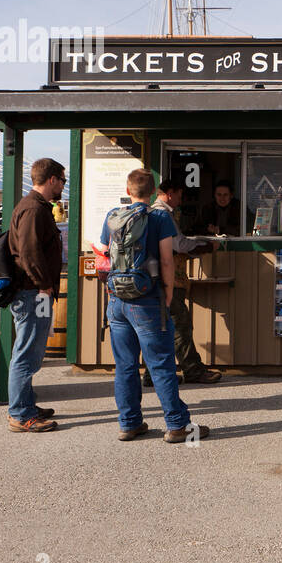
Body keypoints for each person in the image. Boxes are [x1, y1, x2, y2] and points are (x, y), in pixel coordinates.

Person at [95, 168, 209, 444]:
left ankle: (129, 424)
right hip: (147, 300)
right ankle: (177, 425)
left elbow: (101, 254)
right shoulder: (159, 217)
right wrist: (168, 294)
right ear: (154, 190)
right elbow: (167, 261)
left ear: (128, 189)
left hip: (117, 301)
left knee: (125, 366)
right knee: (161, 364)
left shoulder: (113, 216)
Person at [141, 176, 222, 388]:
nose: (180, 199)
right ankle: (193, 370)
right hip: (168, 280)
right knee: (180, 325)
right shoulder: (163, 214)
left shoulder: (149, 213)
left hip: (149, 280)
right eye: (179, 195)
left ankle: (152, 374)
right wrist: (207, 246)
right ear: (170, 193)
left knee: (158, 329)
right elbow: (180, 245)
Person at [5, 159, 65, 433]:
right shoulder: (33, 209)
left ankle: (27, 404)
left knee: (33, 349)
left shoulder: (36, 207)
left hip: (35, 292)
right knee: (27, 352)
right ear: (51, 179)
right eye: (62, 180)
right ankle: (20, 414)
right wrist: (44, 285)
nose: (63, 185)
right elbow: (29, 253)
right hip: (33, 293)